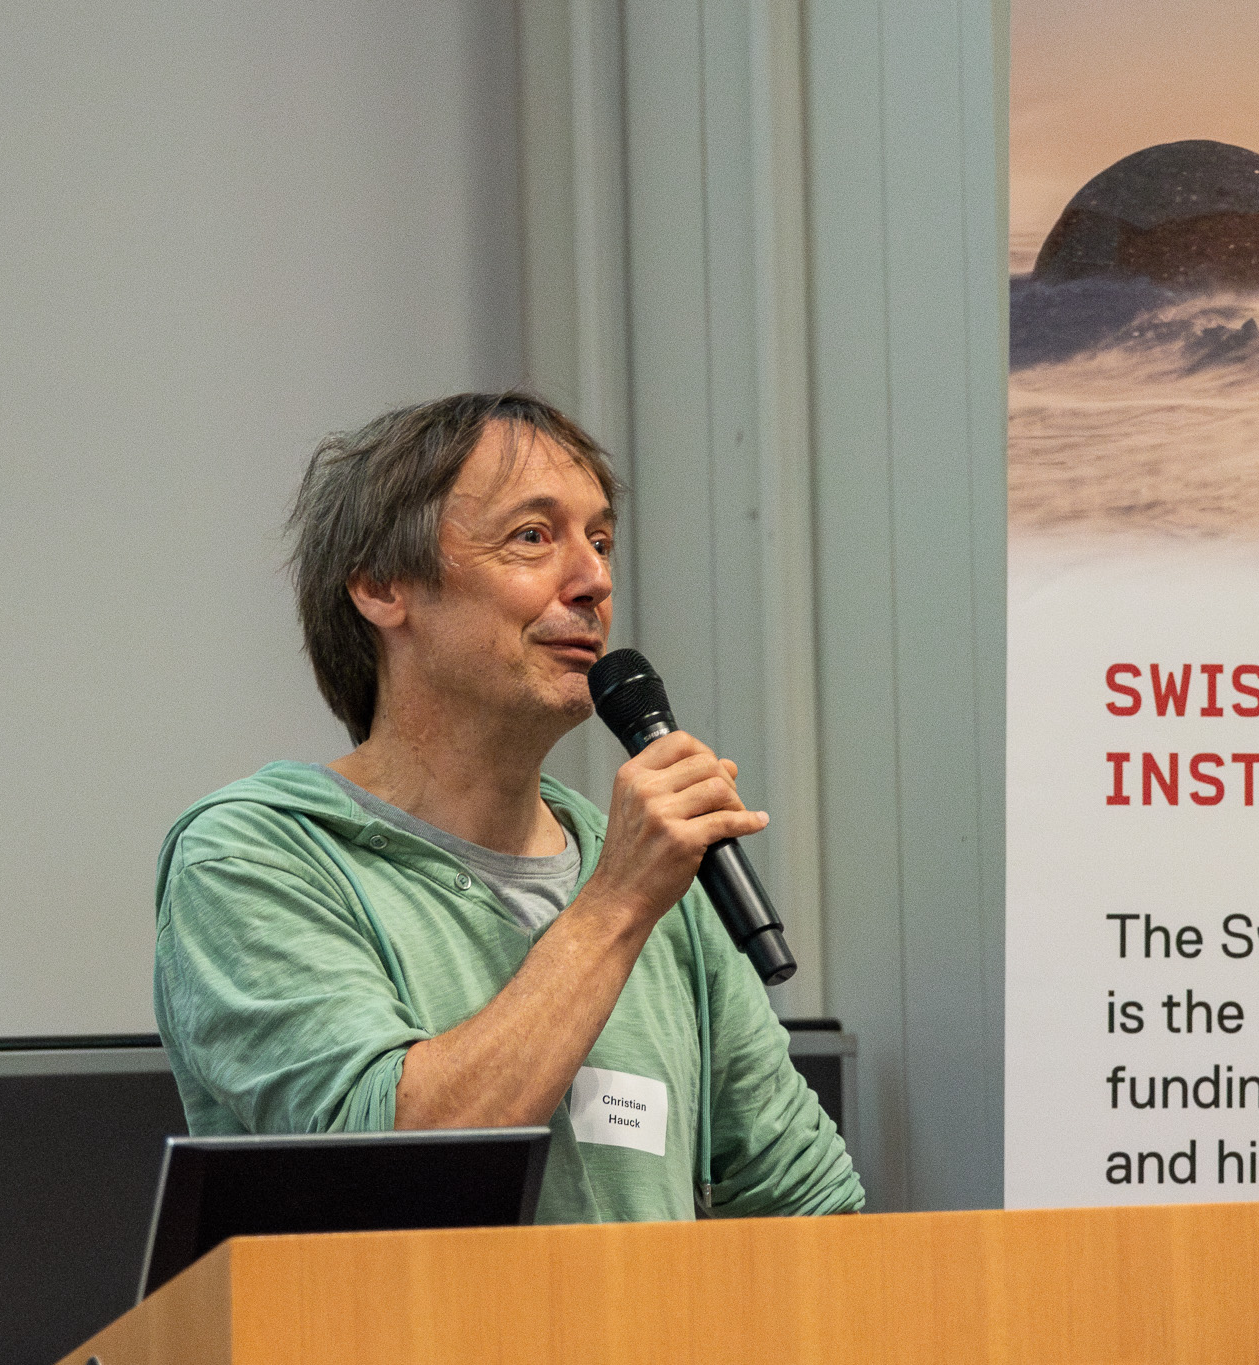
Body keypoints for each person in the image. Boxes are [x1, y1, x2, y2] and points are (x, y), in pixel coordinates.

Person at [152, 391, 862, 1221]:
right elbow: (392, 1177)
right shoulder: (252, 857)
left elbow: (812, 1209)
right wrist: (616, 905)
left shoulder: (652, 875)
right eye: (533, 536)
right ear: (382, 585)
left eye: (601, 541)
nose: (594, 580)